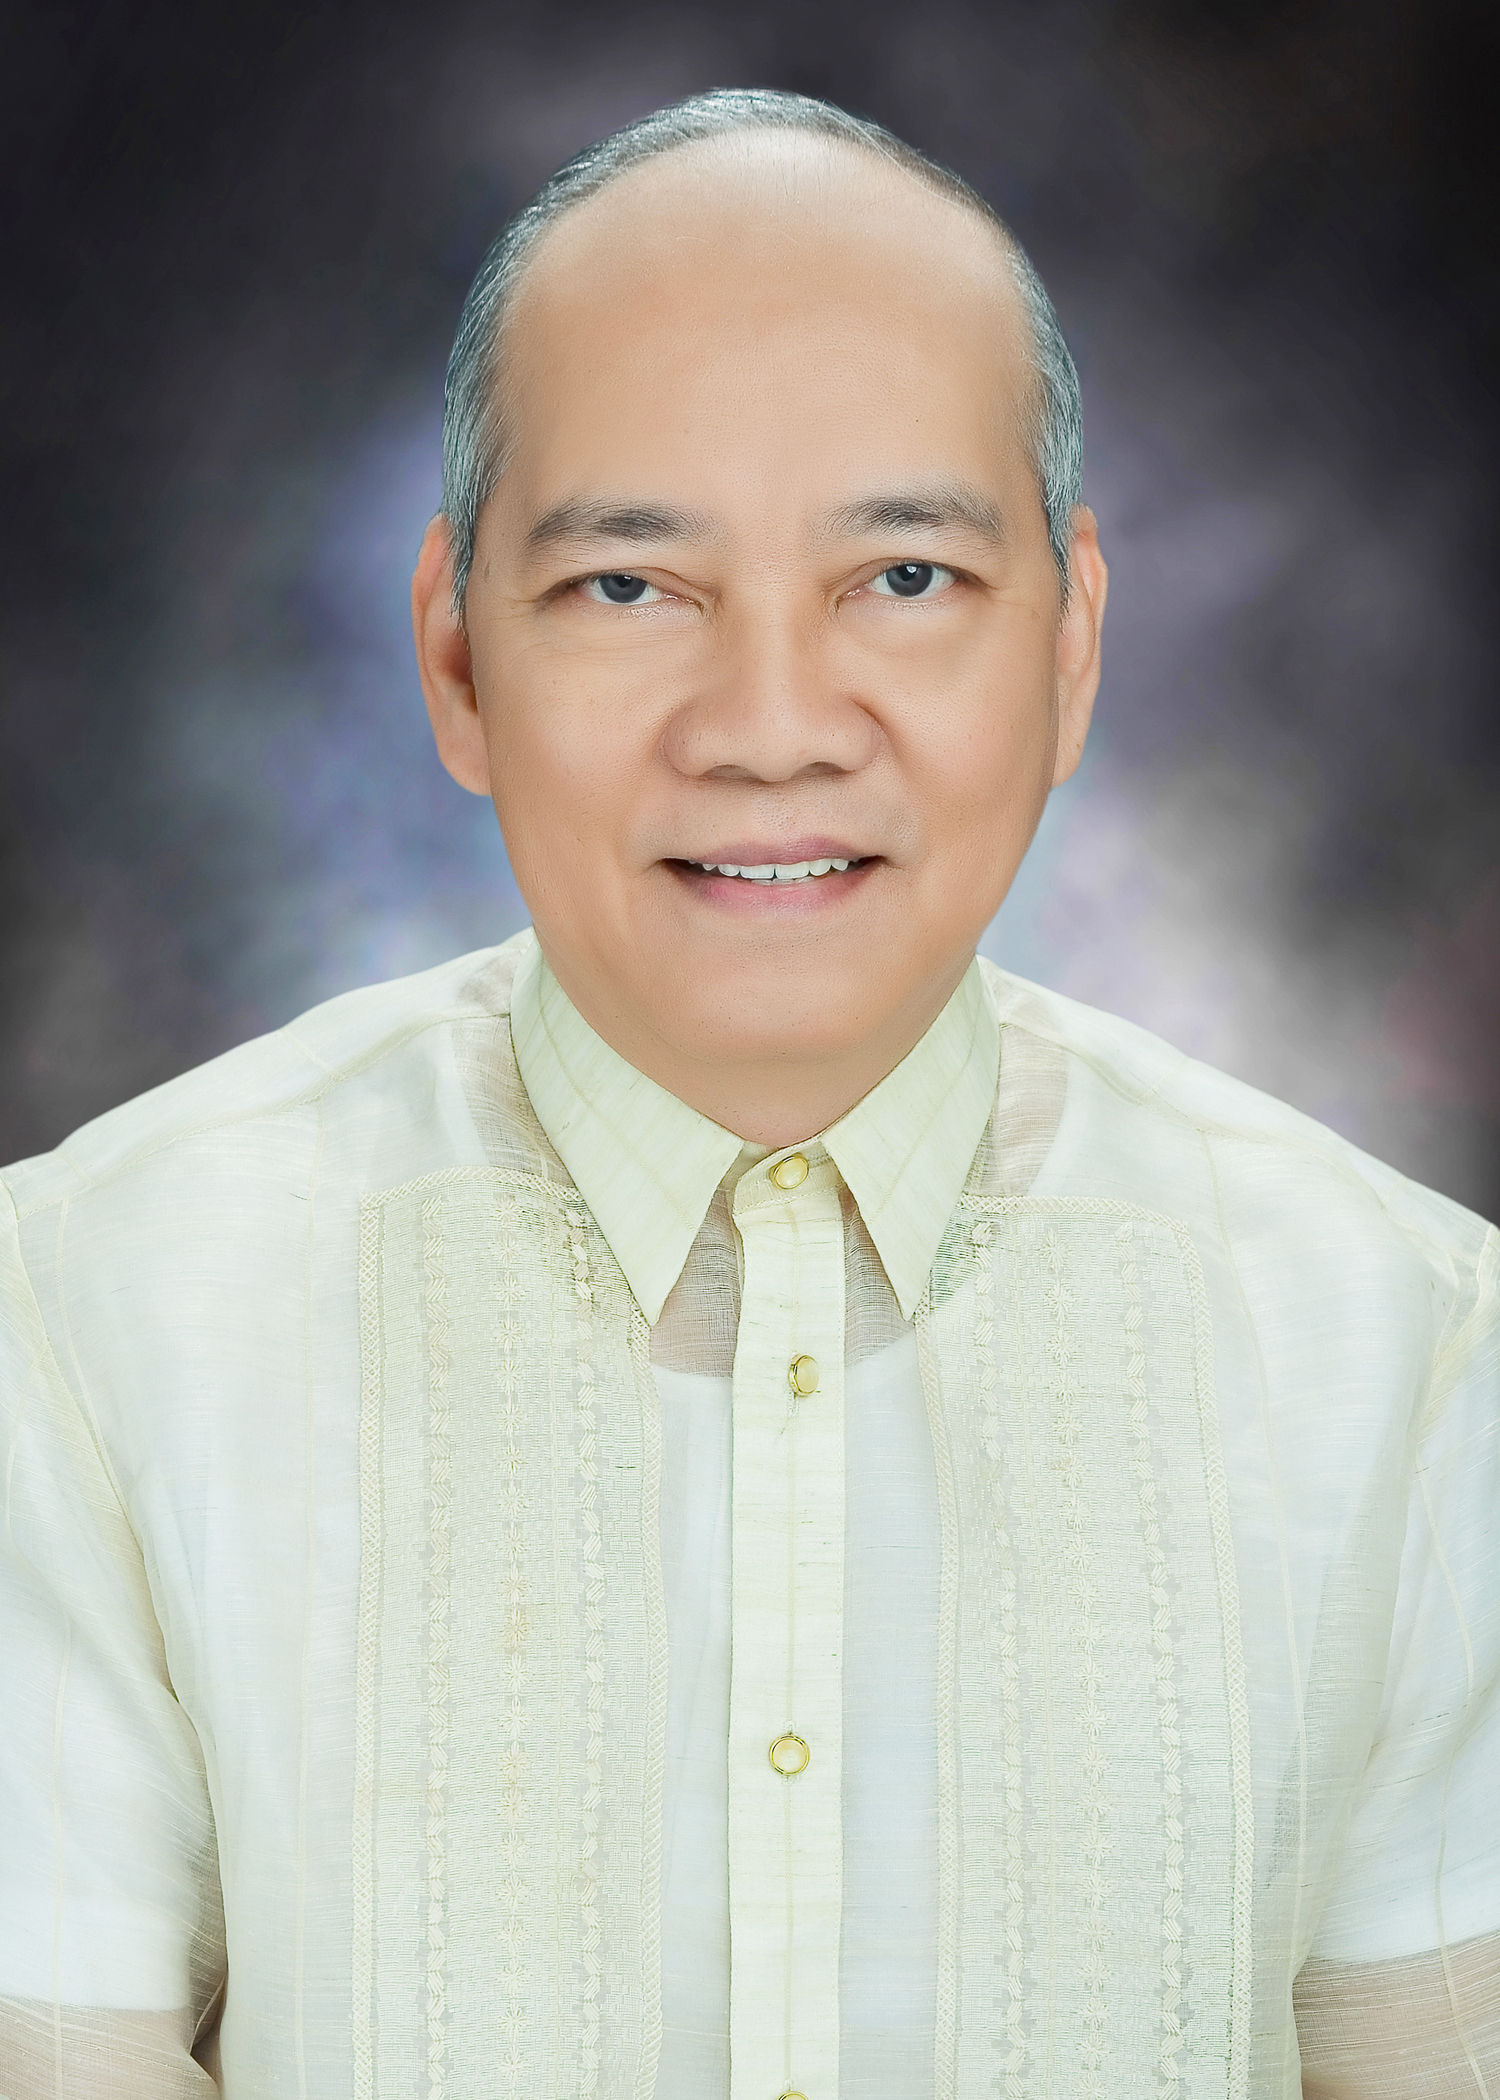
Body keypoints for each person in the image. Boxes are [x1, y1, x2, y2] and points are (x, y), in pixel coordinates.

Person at [0, 86, 1495, 2100]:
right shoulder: (87, 1320)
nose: (773, 728)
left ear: (1071, 651)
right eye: (632, 588)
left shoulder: (1407, 1347)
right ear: (455, 659)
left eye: (905, 577)